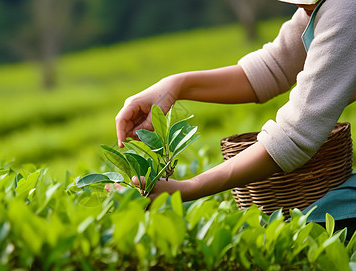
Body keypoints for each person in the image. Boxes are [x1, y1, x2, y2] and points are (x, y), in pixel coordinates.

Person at [114, 0, 355, 234]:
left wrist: (186, 188)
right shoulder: (327, 6)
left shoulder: (345, 11)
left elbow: (293, 137)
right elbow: (275, 67)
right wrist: (175, 86)